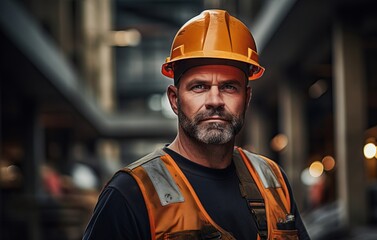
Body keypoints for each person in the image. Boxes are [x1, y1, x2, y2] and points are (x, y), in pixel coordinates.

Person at [83, 9, 310, 240]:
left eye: (229, 87)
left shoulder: (273, 182)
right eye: (199, 87)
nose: (215, 101)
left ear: (247, 98)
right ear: (174, 99)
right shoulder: (131, 194)